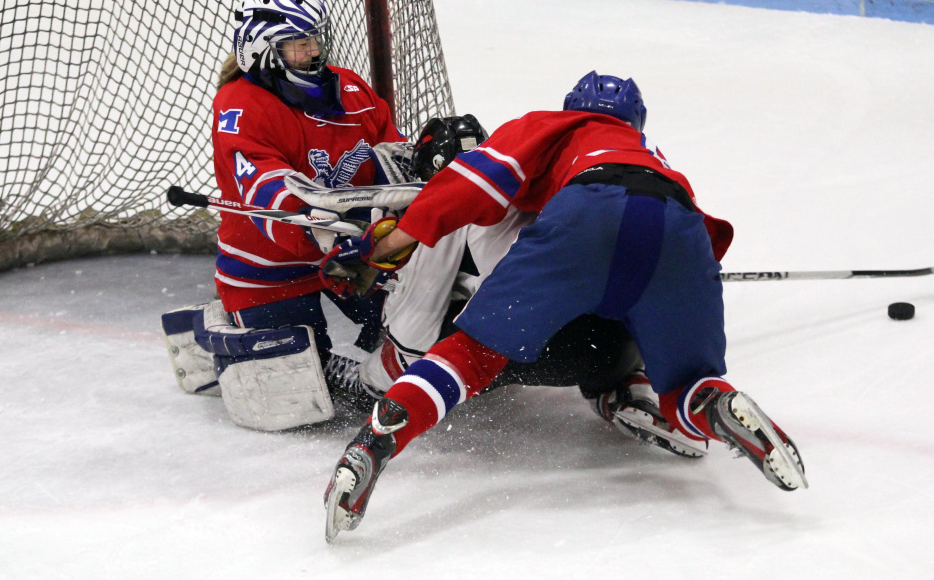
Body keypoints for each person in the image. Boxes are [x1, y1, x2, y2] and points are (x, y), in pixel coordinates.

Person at [321, 72, 808, 541]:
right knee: (684, 377)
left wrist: (381, 247)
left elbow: (468, 187)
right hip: (676, 231)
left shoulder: (550, 127)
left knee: (472, 353)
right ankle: (713, 404)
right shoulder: (653, 156)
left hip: (573, 242)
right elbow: (699, 247)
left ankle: (378, 439)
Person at [161, 0, 412, 432]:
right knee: (295, 388)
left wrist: (424, 162)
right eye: (298, 44)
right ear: (260, 49)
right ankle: (210, 327)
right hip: (269, 262)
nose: (313, 51)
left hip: (354, 251)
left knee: (412, 325)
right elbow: (261, 181)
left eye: (315, 39)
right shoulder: (239, 102)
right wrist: (317, 229)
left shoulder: (350, 88)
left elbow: (391, 153)